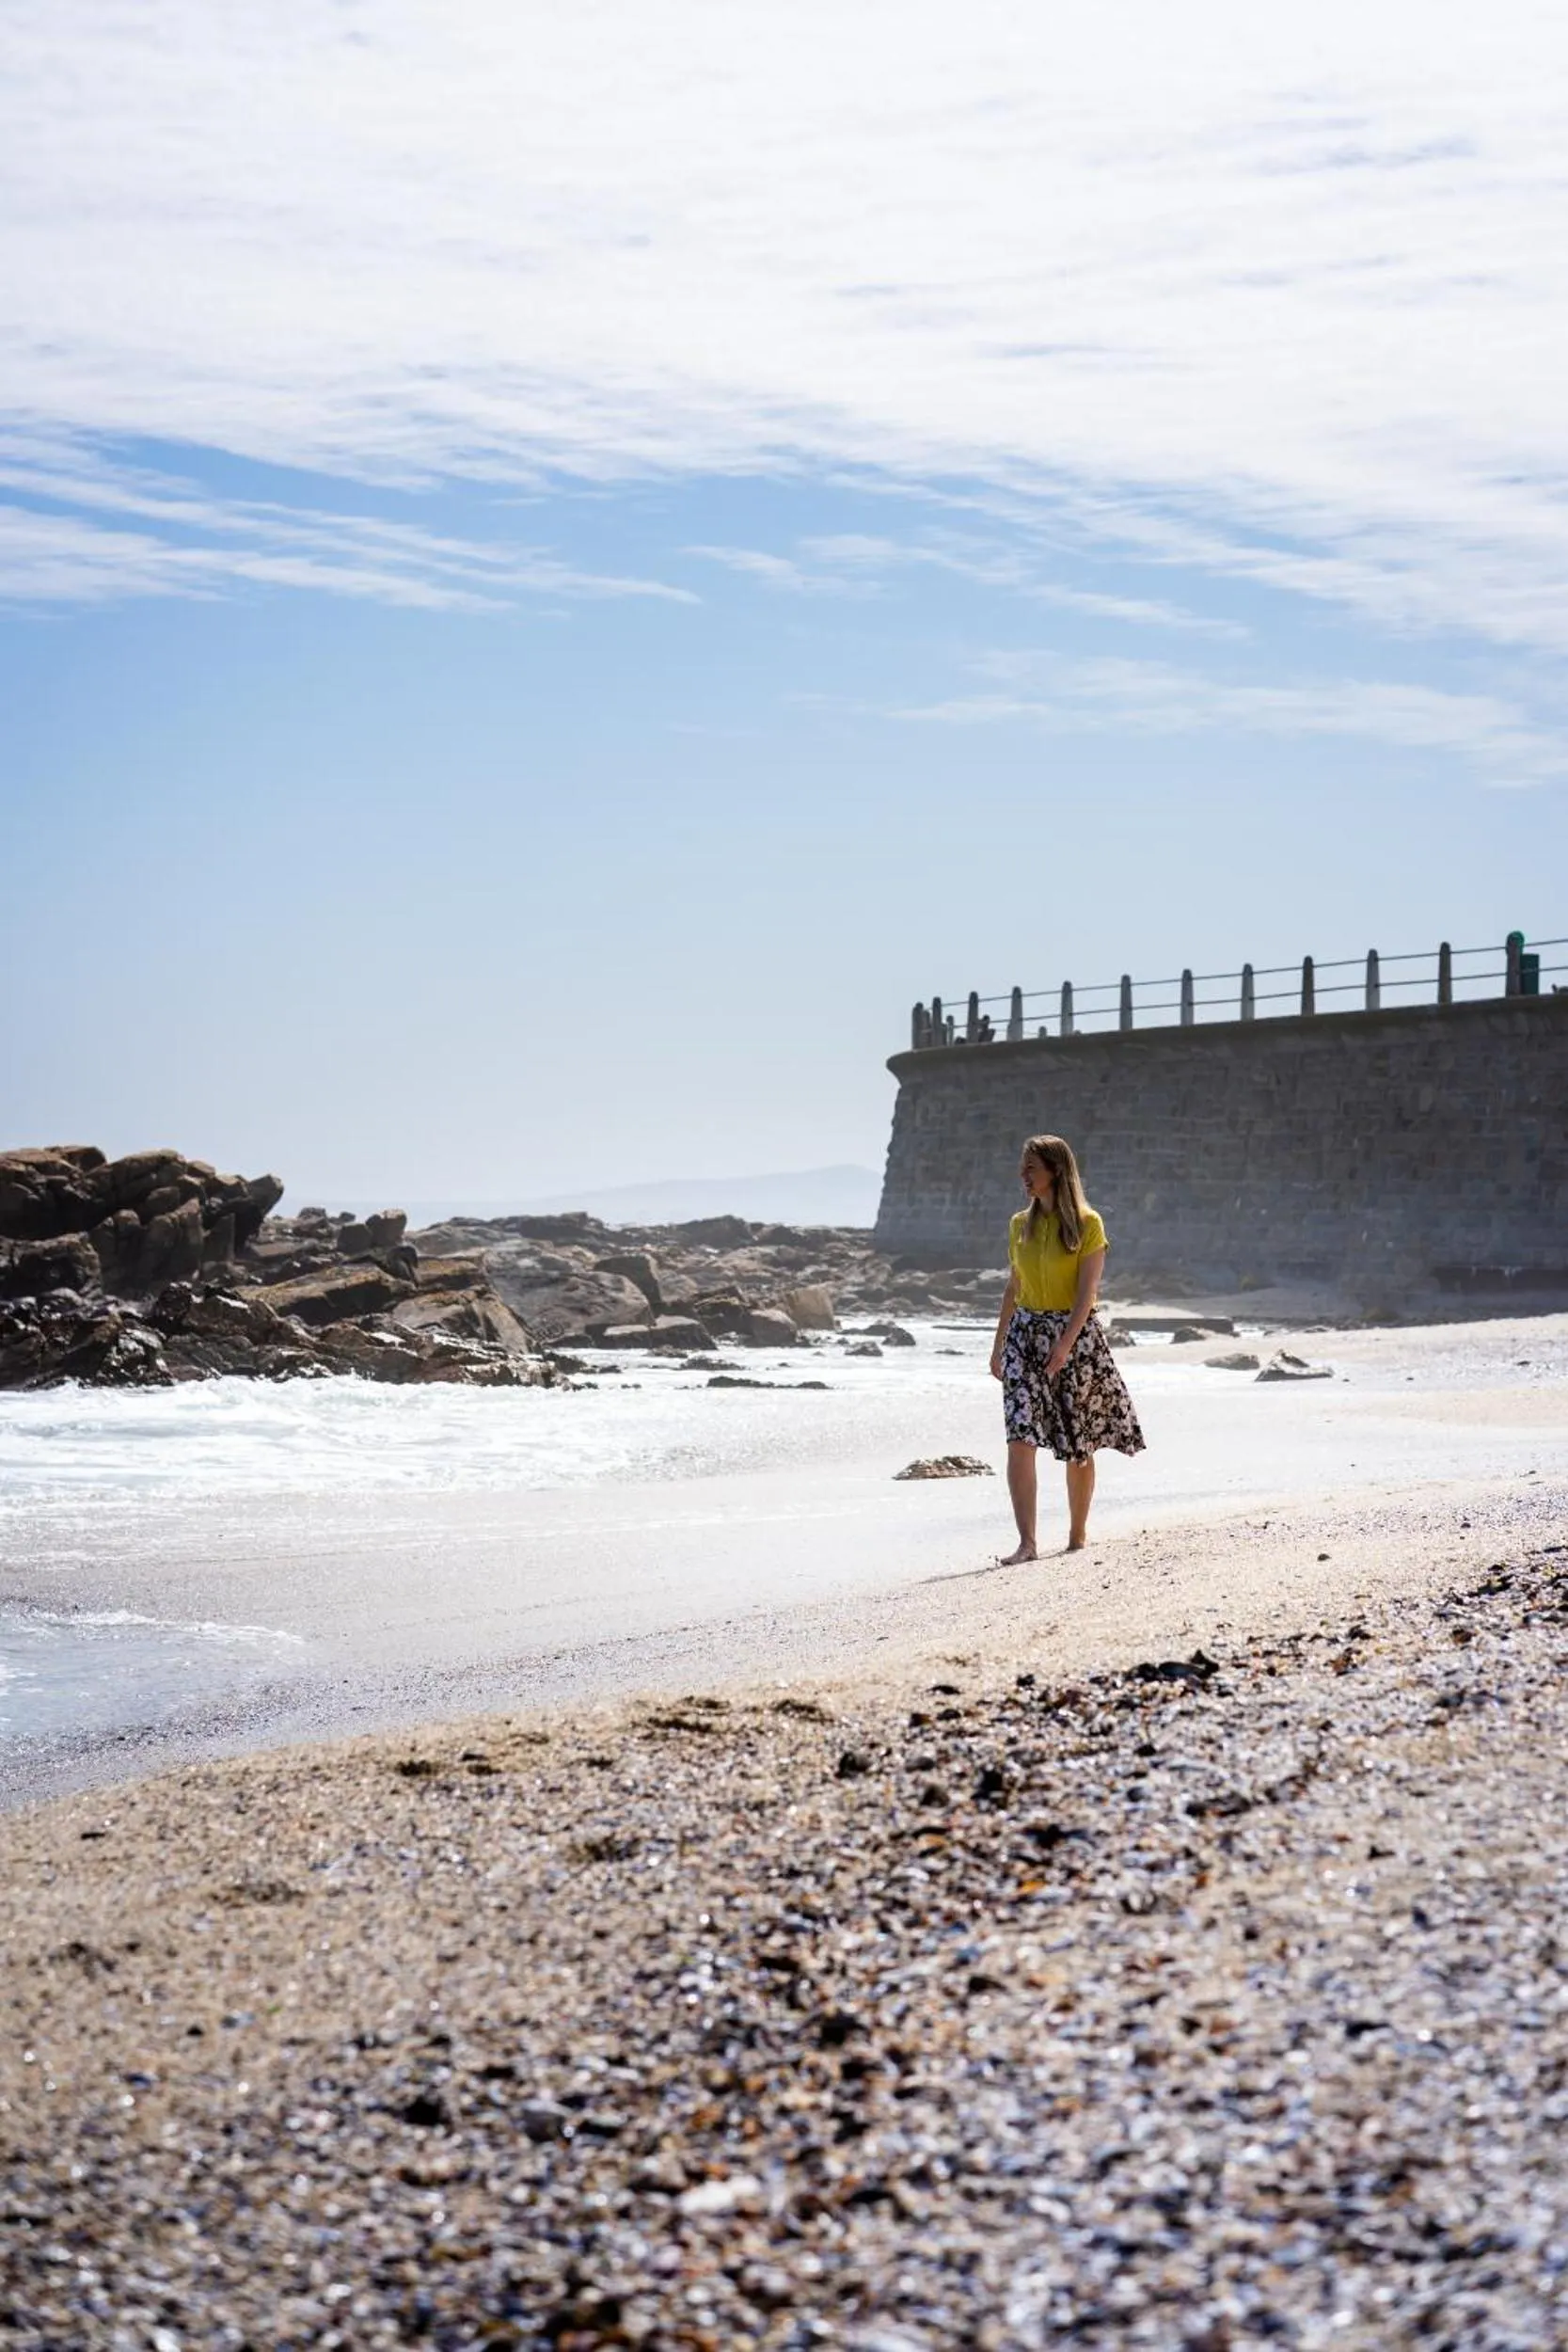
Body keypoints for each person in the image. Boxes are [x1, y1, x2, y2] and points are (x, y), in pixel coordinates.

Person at [989, 1133, 1144, 1559]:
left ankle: (1077, 1534)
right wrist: (999, 1344)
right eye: (1024, 1168)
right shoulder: (1019, 1225)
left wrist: (1064, 1346)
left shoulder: (1088, 1225)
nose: (1024, 1175)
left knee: (1078, 1442)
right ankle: (1027, 1543)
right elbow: (1013, 1288)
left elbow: (1086, 1295)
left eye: (1031, 1168)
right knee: (1020, 1436)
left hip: (1073, 1337)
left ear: (1055, 1171)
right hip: (1024, 1336)